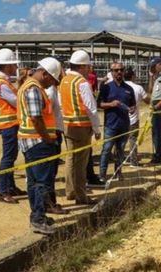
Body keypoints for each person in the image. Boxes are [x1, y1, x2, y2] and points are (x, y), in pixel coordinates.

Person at [16, 57, 62, 234]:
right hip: (38, 142)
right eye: (52, 79)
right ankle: (38, 219)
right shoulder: (34, 89)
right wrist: (48, 138)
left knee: (34, 182)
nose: (52, 83)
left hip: (30, 142)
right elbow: (36, 118)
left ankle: (37, 214)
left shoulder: (26, 86)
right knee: (42, 182)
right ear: (44, 74)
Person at [59, 50, 101, 205]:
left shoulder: (64, 81)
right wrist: (97, 129)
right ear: (82, 66)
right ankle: (81, 196)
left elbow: (61, 104)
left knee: (70, 159)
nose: (89, 69)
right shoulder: (82, 83)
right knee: (81, 163)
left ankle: (70, 191)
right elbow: (91, 108)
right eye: (88, 66)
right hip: (81, 127)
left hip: (67, 125)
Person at [0, 48, 27, 204]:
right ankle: (3, 190)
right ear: (6, 66)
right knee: (8, 158)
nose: (16, 67)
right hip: (8, 124)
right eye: (13, 64)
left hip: (11, 123)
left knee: (11, 157)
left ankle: (10, 186)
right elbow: (16, 101)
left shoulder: (5, 82)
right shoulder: (2, 84)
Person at [97, 62, 137, 181]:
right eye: (116, 70)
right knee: (107, 150)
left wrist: (132, 109)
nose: (119, 72)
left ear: (124, 71)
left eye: (121, 69)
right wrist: (111, 104)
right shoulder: (106, 87)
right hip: (110, 125)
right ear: (112, 72)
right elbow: (99, 104)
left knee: (120, 151)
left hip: (124, 125)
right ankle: (102, 175)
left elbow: (133, 104)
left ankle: (118, 172)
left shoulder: (129, 89)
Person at [44, 70, 67, 215]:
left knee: (51, 171)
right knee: (50, 171)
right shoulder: (51, 92)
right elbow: (48, 114)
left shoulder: (52, 90)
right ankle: (49, 203)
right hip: (53, 132)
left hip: (55, 131)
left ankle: (50, 202)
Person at [125, 67, 150, 163]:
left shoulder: (119, 86)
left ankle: (118, 160)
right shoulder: (138, 88)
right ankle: (133, 161)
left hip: (121, 119)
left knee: (120, 141)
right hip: (133, 119)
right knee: (133, 139)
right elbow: (147, 100)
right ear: (133, 76)